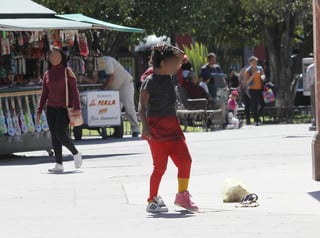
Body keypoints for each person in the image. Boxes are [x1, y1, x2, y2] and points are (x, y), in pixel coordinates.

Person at [139, 43, 199, 213]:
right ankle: (152, 200)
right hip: (156, 128)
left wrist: (165, 48)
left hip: (172, 126)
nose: (178, 65)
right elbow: (141, 107)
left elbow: (181, 55)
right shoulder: (149, 82)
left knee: (185, 161)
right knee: (160, 168)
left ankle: (182, 196)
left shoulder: (169, 77)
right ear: (164, 63)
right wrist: (145, 127)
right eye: (174, 63)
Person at [37, 48, 82, 173]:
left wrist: (77, 107)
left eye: (56, 56)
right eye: (52, 56)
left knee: (60, 133)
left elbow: (74, 91)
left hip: (64, 108)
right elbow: (44, 93)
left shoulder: (67, 72)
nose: (54, 58)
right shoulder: (47, 74)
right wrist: (39, 110)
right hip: (51, 108)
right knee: (54, 137)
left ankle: (75, 152)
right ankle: (59, 163)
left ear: (62, 57)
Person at [102, 56, 140, 137]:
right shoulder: (96, 64)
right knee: (114, 110)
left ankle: (135, 130)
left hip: (125, 85)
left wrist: (103, 90)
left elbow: (111, 77)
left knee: (129, 107)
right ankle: (117, 130)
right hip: (114, 88)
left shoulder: (106, 60)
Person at [245, 56, 265, 126]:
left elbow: (263, 75)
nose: (255, 63)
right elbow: (247, 81)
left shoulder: (260, 68)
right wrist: (253, 75)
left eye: (256, 62)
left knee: (262, 104)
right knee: (254, 105)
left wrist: (263, 77)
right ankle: (256, 120)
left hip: (260, 89)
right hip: (252, 89)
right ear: (250, 63)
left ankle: (258, 117)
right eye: (253, 62)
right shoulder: (248, 70)